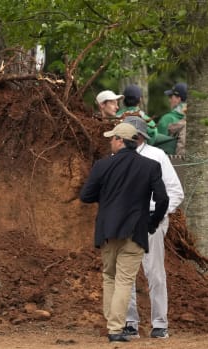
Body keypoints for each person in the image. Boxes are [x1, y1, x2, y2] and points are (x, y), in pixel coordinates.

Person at [80, 122, 169, 343]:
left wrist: (107, 199)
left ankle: (114, 326)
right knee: (124, 280)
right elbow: (163, 199)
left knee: (110, 276)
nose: (110, 141)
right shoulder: (150, 166)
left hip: (107, 231)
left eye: (112, 138)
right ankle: (115, 328)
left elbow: (86, 196)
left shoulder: (102, 166)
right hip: (135, 231)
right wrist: (152, 222)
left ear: (121, 140)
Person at [122, 116, 184, 339]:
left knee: (154, 272)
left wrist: (158, 216)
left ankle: (160, 323)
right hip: (125, 220)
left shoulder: (157, 156)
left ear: (137, 136)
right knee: (126, 273)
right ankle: (130, 322)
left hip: (151, 220)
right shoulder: (117, 156)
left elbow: (175, 191)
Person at [157, 83, 187, 156]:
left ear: (178, 99)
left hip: (172, 163)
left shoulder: (167, 119)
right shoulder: (197, 119)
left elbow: (158, 147)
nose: (169, 99)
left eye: (171, 96)